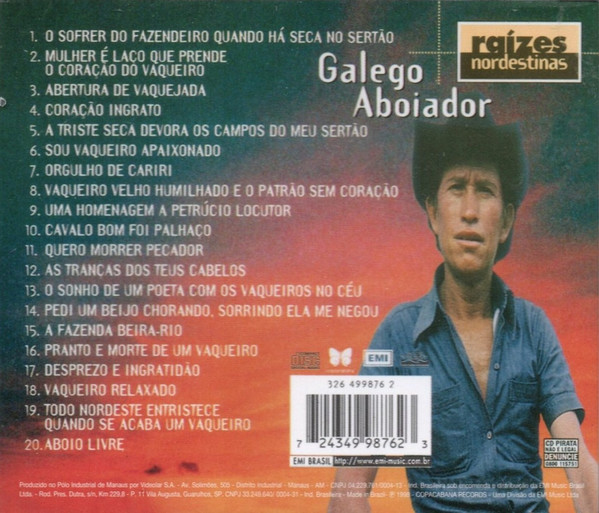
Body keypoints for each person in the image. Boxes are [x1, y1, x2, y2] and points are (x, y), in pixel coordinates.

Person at [328, 107, 598, 513]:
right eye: (456, 187)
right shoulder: (398, 335)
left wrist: (582, 487)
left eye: (485, 190)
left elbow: (571, 454)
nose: (470, 210)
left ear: (505, 222)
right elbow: (349, 488)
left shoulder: (533, 327)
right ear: (433, 213)